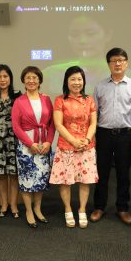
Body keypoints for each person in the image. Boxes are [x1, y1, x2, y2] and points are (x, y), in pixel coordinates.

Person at [90, 47, 131, 225]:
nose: (117, 63)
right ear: (108, 64)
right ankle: (99, 206)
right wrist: (93, 135)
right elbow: (94, 113)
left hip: (124, 135)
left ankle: (123, 208)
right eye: (114, 60)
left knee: (124, 173)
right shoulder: (100, 86)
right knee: (101, 172)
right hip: (103, 134)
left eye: (121, 60)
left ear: (126, 63)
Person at [49, 66, 98, 229]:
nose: (77, 82)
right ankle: (68, 209)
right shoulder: (60, 100)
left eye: (79, 79)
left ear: (83, 81)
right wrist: (73, 141)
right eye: (73, 79)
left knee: (85, 181)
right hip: (66, 147)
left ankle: (82, 209)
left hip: (86, 146)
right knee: (66, 181)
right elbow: (58, 124)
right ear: (66, 81)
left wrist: (87, 139)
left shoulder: (89, 100)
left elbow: (93, 123)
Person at [11, 66, 55, 228]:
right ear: (23, 81)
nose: (31, 80)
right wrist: (30, 144)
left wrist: (49, 142)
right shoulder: (19, 101)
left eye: (34, 77)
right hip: (26, 147)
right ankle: (29, 210)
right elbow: (16, 127)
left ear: (39, 81)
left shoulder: (46, 99)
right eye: (28, 77)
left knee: (41, 179)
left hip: (44, 145)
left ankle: (38, 208)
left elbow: (51, 124)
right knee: (27, 179)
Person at [0, 64, 22, 218]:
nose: (2, 80)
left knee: (14, 175)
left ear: (10, 78)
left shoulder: (18, 95)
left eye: (5, 76)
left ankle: (14, 205)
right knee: (1, 175)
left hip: (14, 140)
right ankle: (3, 204)